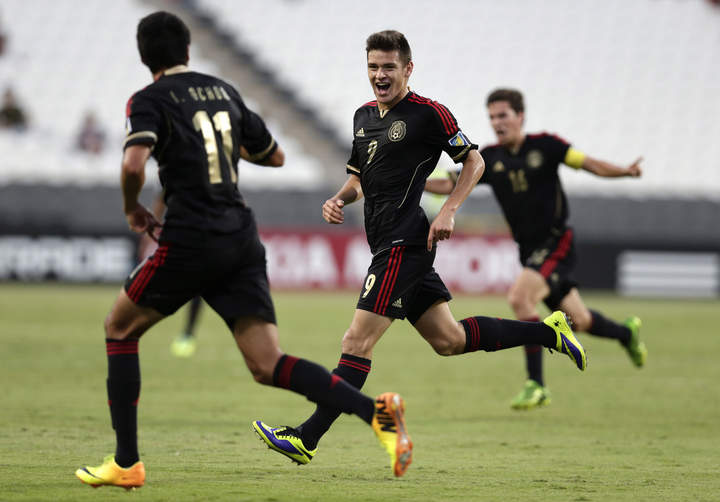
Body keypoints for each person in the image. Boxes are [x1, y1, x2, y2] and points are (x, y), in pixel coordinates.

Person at [75, 12, 414, 489]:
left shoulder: (148, 99)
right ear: (188, 50)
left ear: (145, 57)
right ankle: (375, 413)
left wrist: (133, 207)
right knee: (267, 363)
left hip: (190, 235)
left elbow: (133, 164)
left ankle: (126, 462)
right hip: (240, 236)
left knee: (119, 327)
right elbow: (274, 155)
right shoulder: (224, 91)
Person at [254, 31, 586, 468]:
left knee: (356, 341)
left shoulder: (429, 114)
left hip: (404, 243)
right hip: (385, 243)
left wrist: (449, 209)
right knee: (449, 340)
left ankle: (306, 437)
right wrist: (339, 198)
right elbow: (359, 178)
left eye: (388, 67)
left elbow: (475, 161)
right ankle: (550, 332)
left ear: (408, 69)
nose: (379, 75)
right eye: (373, 66)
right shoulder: (362, 116)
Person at [426, 88, 647, 410]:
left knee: (520, 298)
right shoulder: (491, 158)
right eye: (492, 117)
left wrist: (625, 171)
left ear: (520, 116)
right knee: (579, 320)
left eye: (503, 115)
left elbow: (589, 164)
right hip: (529, 251)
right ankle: (627, 334)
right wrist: (411, 182)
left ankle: (536, 384)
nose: (497, 123)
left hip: (556, 242)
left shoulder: (547, 146)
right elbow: (449, 182)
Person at [137, 194, 203, 357]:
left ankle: (188, 333)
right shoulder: (177, 182)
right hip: (182, 236)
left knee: (198, 287)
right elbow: (161, 198)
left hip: (204, 237)